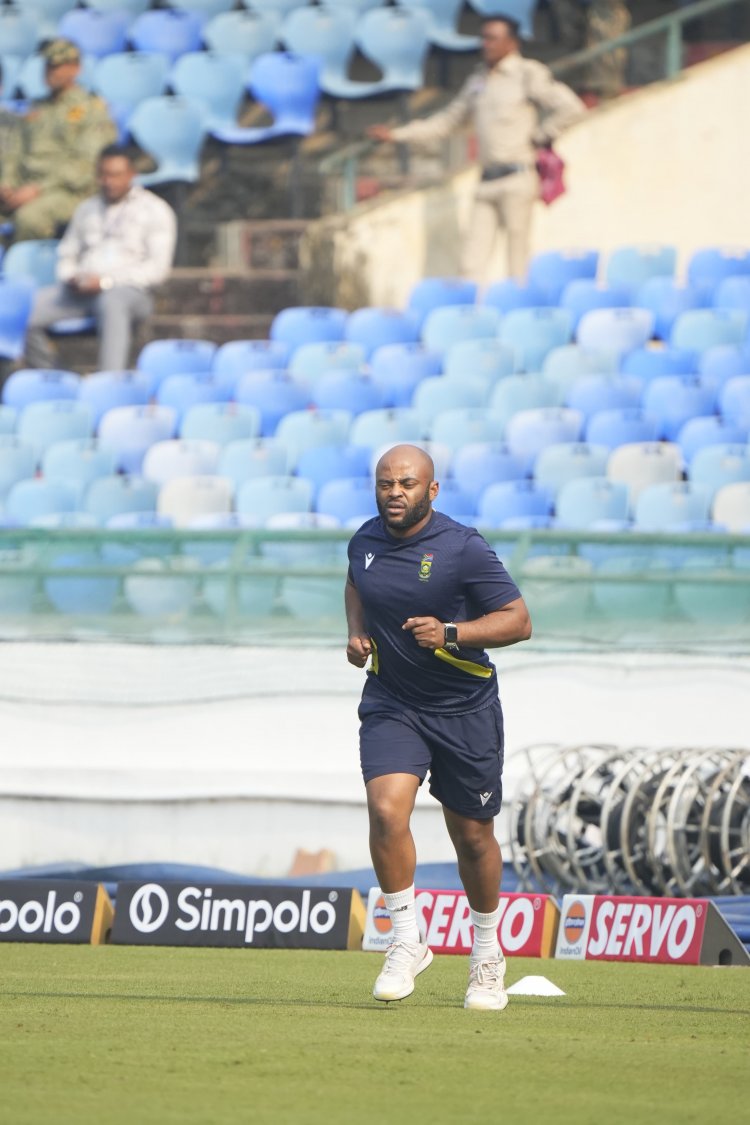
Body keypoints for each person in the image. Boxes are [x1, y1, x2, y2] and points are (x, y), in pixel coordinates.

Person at [345, 445, 532, 1010]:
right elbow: (356, 583)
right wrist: (356, 633)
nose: (394, 493)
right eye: (385, 484)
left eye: (406, 484)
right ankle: (406, 939)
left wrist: (452, 633)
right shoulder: (364, 541)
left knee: (472, 838)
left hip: (464, 708)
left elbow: (519, 621)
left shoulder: (462, 547)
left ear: (431, 490)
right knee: (385, 811)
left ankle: (487, 955)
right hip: (393, 701)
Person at [366, 17, 585, 282]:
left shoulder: (527, 73)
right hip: (486, 179)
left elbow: (571, 108)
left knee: (517, 262)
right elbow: (447, 121)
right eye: (484, 38)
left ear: (511, 43)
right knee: (470, 264)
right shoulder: (479, 79)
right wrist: (397, 134)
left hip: (518, 177)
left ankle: (517, 307)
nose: (486, 44)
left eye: (493, 38)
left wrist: (541, 135)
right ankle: (470, 308)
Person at [24, 144, 177, 372]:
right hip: (81, 290)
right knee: (22, 310)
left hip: (130, 291)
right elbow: (67, 253)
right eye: (103, 175)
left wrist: (107, 282)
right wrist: (72, 277)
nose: (109, 182)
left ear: (132, 175)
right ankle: (56, 377)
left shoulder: (155, 210)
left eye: (116, 175)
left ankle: (109, 381)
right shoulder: (87, 209)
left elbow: (158, 269)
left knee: (112, 302)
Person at [0, 38, 116, 242]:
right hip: (25, 187)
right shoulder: (37, 108)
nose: (51, 71)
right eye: (48, 65)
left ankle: (28, 262)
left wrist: (38, 189)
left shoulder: (92, 110)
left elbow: (85, 164)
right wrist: (7, 184)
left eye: (58, 66)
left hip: (69, 192)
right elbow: (15, 151)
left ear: (76, 68)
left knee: (30, 218)